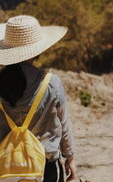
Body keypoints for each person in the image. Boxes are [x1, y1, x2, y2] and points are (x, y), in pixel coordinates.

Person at [0, 15, 76, 181]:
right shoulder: (51, 82)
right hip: (45, 166)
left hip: (5, 170)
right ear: (37, 49)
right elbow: (64, 125)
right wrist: (69, 158)